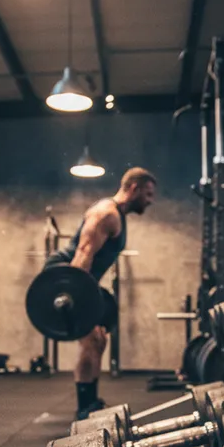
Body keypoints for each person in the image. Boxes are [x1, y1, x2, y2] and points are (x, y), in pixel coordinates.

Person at [44, 167, 156, 418]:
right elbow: (83, 254)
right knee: (91, 340)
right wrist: (77, 301)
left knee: (100, 339)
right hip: (65, 279)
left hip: (84, 281)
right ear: (134, 188)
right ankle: (85, 409)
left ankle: (91, 402)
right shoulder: (107, 214)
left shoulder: (118, 215)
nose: (150, 201)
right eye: (147, 194)